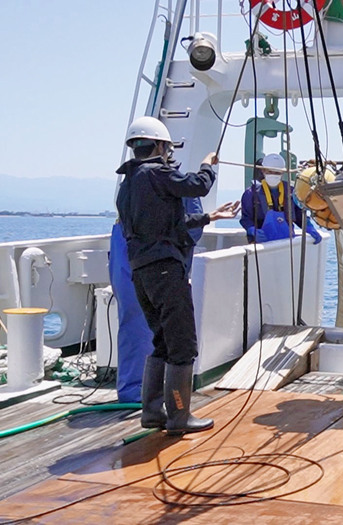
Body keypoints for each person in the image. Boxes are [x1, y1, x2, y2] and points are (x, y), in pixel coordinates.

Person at [116, 115, 220, 436]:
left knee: (161, 341)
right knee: (182, 344)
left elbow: (163, 227)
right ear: (161, 146)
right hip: (166, 270)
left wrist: (209, 215)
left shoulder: (127, 186)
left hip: (142, 274)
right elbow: (198, 184)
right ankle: (179, 416)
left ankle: (152, 413)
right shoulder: (158, 174)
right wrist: (208, 165)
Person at [109, 196, 238, 404]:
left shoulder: (144, 181)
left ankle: (149, 395)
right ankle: (153, 397)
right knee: (142, 324)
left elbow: (189, 230)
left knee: (154, 329)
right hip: (144, 252)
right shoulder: (163, 181)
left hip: (140, 251)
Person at [240, 152, 321, 244]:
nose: (273, 174)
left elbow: (299, 215)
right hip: (261, 245)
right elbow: (246, 218)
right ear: (263, 171)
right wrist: (252, 230)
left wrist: (309, 227)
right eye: (270, 171)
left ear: (282, 172)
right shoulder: (251, 193)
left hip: (285, 244)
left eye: (277, 172)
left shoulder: (291, 191)